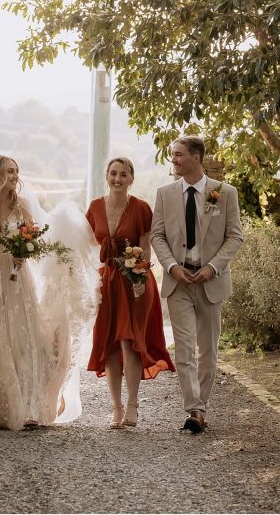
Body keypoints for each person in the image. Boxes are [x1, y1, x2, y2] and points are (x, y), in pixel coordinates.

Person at [0, 155, 77, 430]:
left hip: (17, 280)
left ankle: (27, 407)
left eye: (16, 171)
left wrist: (24, 255)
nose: (14, 176)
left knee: (21, 340)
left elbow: (35, 242)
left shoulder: (22, 206)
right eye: (9, 171)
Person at [151, 136, 243, 433]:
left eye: (178, 155)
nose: (174, 160)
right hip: (178, 281)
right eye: (173, 155)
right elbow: (158, 236)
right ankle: (195, 409)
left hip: (210, 281)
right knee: (185, 349)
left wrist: (213, 267)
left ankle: (200, 408)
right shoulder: (165, 194)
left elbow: (235, 236)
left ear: (196, 157)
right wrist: (172, 266)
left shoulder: (224, 193)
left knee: (208, 350)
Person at [86, 157, 175, 429]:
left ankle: (133, 405)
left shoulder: (140, 208)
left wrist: (140, 276)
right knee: (110, 344)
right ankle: (116, 408)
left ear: (131, 178)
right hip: (108, 282)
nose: (117, 178)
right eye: (113, 173)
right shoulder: (95, 207)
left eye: (123, 174)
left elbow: (146, 247)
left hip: (134, 280)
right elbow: (90, 246)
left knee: (129, 341)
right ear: (106, 176)